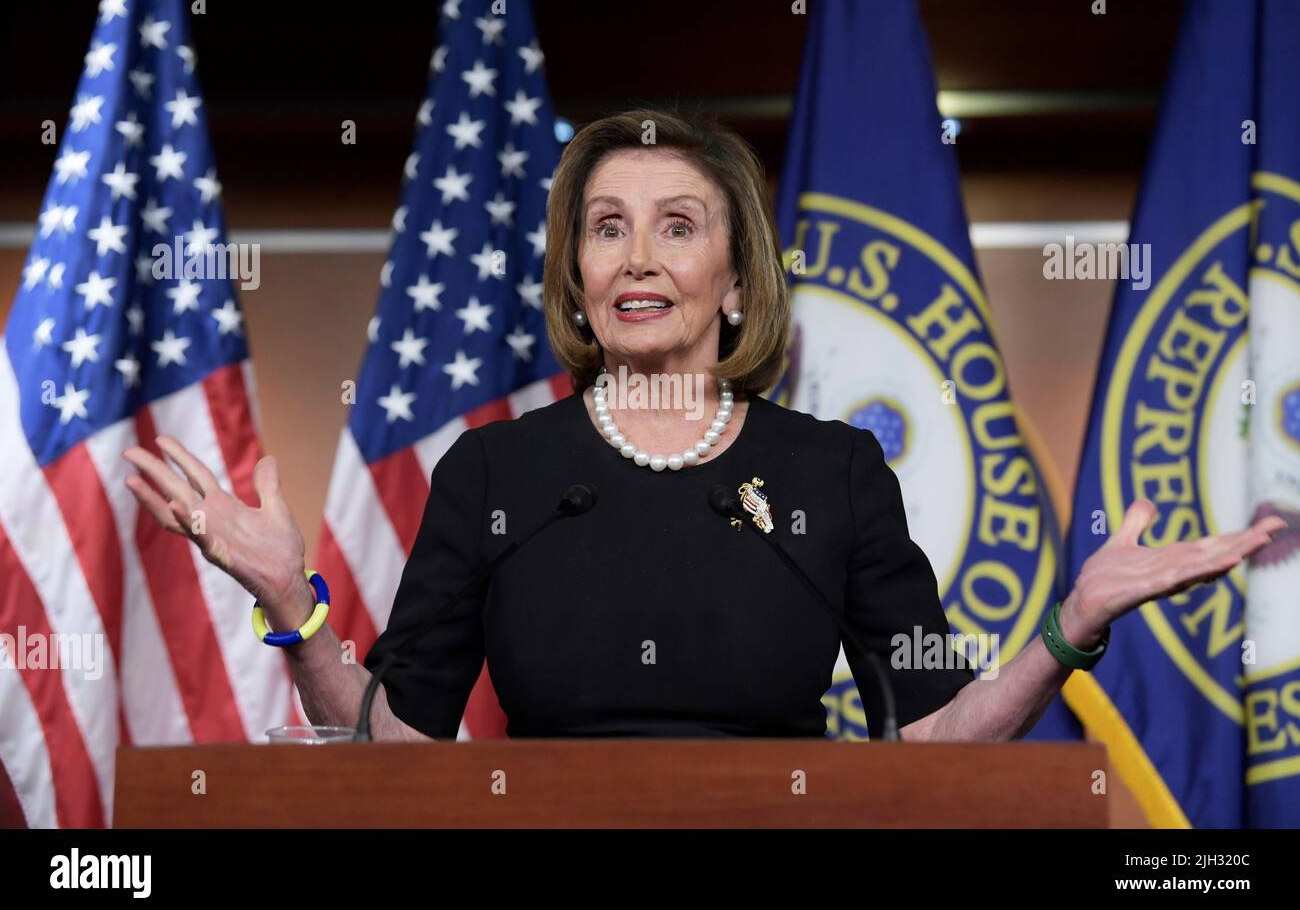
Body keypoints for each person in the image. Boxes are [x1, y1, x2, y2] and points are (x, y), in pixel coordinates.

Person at [123, 109, 1285, 741]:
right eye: (607, 228)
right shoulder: (494, 468)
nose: (637, 256)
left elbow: (932, 737)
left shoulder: (831, 471)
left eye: (677, 225)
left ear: (736, 280)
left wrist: (1072, 623)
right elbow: (400, 743)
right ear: (576, 279)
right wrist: (292, 603)